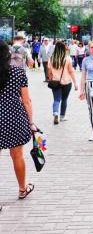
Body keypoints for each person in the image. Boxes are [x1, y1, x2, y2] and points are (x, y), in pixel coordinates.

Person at [0, 41, 37, 203]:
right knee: (17, 155)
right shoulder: (17, 72)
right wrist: (31, 122)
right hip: (14, 117)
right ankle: (22, 189)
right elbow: (26, 100)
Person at [47, 41, 78, 125]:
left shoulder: (51, 58)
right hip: (67, 82)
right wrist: (75, 83)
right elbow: (71, 71)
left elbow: (49, 72)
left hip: (55, 82)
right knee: (64, 99)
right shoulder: (67, 58)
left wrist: (50, 79)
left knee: (56, 99)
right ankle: (62, 116)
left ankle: (55, 112)